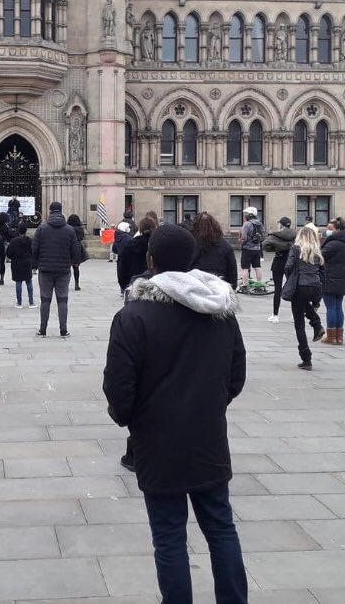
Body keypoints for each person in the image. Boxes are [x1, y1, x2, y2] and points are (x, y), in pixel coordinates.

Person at [103, 224, 248, 604]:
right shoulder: (222, 313)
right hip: (208, 437)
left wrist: (132, 420)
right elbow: (236, 376)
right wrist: (208, 406)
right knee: (221, 528)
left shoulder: (133, 316)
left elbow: (119, 388)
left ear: (150, 262)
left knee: (169, 537)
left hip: (157, 441)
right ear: (191, 262)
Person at [31, 201, 81, 338]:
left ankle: (43, 329)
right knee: (62, 300)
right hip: (64, 270)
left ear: (50, 211)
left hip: (45, 269)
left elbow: (34, 249)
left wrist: (36, 263)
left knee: (45, 300)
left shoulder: (41, 229)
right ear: (61, 211)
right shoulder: (70, 230)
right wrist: (73, 262)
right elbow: (75, 250)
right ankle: (63, 330)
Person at [284, 225, 326, 369]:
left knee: (299, 323)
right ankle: (316, 324)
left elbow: (288, 267)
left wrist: (291, 278)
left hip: (300, 285)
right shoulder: (317, 251)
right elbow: (322, 270)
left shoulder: (295, 249)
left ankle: (306, 358)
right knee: (305, 306)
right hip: (315, 286)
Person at [320, 218, 345, 345]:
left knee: (331, 307)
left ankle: (331, 335)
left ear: (337, 229)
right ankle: (339, 336)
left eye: (330, 229)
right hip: (343, 276)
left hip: (331, 276)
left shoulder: (333, 244)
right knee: (338, 306)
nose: (328, 231)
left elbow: (320, 256)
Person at [190, 212, 238, 289]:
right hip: (219, 287)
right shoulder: (225, 245)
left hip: (195, 286)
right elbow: (232, 271)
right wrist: (232, 287)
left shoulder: (191, 244)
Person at [262, 216, 296, 324]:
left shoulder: (276, 236)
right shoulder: (295, 235)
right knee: (293, 288)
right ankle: (294, 315)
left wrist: (276, 248)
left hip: (279, 261)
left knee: (278, 289)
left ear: (281, 225)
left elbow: (265, 245)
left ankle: (275, 315)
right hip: (291, 262)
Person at [117, 216, 157, 296]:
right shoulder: (158, 244)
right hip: (155, 287)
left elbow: (121, 268)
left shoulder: (129, 245)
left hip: (133, 286)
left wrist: (125, 286)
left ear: (140, 229)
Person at [5, 223, 36, 308]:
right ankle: (31, 302)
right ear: (26, 231)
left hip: (17, 263)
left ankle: (19, 303)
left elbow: (9, 253)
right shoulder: (30, 240)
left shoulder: (13, 241)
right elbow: (33, 251)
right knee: (29, 281)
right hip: (27, 262)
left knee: (18, 282)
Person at [238, 207, 265, 289]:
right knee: (257, 267)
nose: (244, 216)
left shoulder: (247, 224)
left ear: (249, 215)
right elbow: (263, 236)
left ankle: (245, 285)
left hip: (247, 249)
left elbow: (244, 238)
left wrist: (240, 240)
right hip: (257, 249)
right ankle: (259, 284)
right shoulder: (260, 223)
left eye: (246, 214)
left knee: (245, 268)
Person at [67, 214, 87, 291]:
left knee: (67, 268)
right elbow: (82, 237)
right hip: (77, 247)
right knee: (76, 267)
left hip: (68, 247)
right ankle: (76, 284)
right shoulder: (81, 229)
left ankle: (66, 283)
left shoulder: (68, 228)